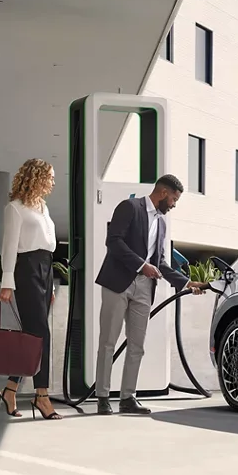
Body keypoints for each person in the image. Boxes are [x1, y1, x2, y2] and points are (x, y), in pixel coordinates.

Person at [94, 174, 207, 415]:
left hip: (145, 287)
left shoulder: (163, 223)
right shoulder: (129, 207)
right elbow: (113, 242)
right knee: (108, 343)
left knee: (137, 345)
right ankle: (102, 396)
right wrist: (140, 265)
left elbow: (161, 262)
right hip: (118, 283)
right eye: (174, 199)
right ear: (164, 193)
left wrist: (186, 283)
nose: (174, 205)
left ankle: (128, 398)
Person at [0, 158, 62, 420]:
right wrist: (7, 283)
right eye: (51, 176)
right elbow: (10, 246)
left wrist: (51, 284)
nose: (54, 182)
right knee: (41, 334)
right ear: (37, 177)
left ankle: (10, 388)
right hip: (26, 270)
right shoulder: (15, 208)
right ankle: (42, 396)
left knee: (33, 335)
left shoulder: (42, 207)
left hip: (46, 269)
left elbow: (48, 243)